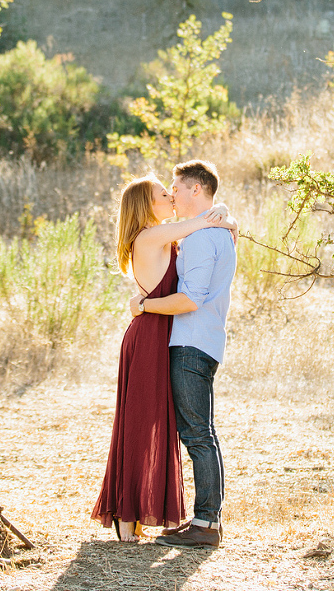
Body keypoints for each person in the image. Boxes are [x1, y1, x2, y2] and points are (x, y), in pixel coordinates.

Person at [91, 174, 235, 542]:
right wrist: (221, 215)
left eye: (172, 190)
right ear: (146, 204)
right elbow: (203, 221)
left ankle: (145, 515)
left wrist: (227, 217)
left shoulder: (166, 234)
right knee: (138, 425)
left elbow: (207, 222)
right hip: (151, 334)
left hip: (162, 334)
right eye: (163, 193)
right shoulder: (151, 235)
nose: (171, 196)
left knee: (156, 425)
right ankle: (126, 517)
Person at [133, 159, 237, 549]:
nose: (172, 194)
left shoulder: (198, 238)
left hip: (191, 343)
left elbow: (190, 299)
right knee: (200, 433)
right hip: (206, 341)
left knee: (198, 436)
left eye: (176, 187)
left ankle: (207, 523)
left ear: (196, 190)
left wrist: (144, 305)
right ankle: (206, 520)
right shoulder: (222, 232)